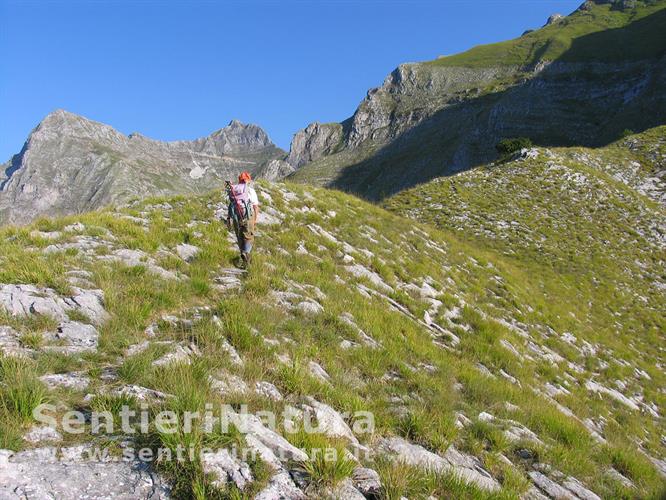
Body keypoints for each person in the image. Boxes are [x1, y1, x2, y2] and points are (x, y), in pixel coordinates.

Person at [226, 171, 260, 267]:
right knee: (249, 236)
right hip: (248, 216)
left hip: (236, 216)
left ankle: (244, 258)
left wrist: (228, 218)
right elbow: (255, 207)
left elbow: (231, 204)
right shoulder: (250, 190)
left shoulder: (234, 190)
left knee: (240, 236)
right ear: (248, 180)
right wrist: (255, 220)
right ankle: (246, 253)